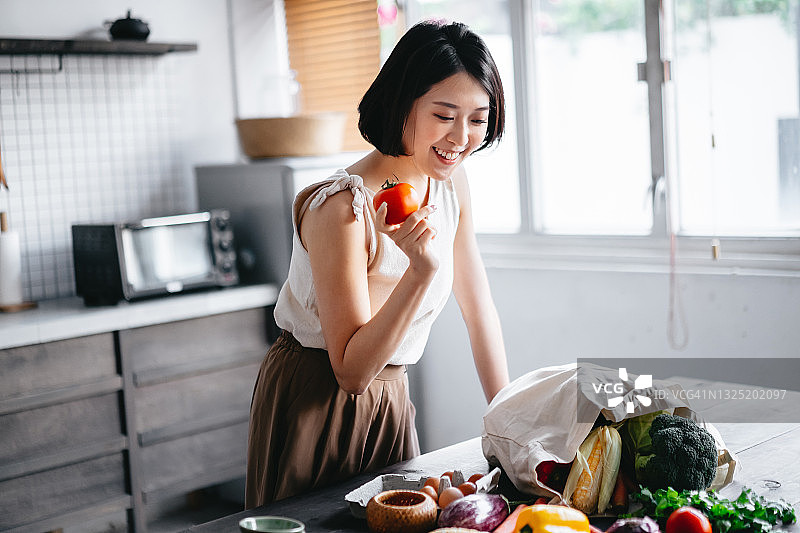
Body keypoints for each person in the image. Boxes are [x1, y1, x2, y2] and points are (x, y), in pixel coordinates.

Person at [245, 19, 510, 508]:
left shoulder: (450, 185)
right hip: (315, 395)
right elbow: (350, 370)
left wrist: (509, 423)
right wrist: (421, 271)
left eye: (477, 118)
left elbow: (479, 310)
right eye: (444, 114)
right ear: (404, 105)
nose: (462, 137)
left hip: (391, 397)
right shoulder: (342, 208)